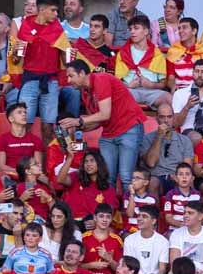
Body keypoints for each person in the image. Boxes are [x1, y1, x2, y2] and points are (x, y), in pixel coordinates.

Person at [61, 60, 147, 194]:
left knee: (125, 177)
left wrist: (78, 121)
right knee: (107, 178)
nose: (68, 80)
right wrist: (76, 128)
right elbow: (98, 121)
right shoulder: (85, 92)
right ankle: (110, 212)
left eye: (71, 76)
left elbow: (104, 114)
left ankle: (128, 213)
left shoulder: (101, 79)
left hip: (128, 128)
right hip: (109, 133)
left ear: (82, 73)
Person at [15, 0, 70, 133]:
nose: (56, 14)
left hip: (51, 81)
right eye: (53, 10)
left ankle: (49, 155)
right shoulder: (26, 26)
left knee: (48, 127)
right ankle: (24, 155)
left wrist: (69, 70)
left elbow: (67, 56)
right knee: (24, 124)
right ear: (42, 9)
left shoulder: (57, 28)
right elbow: (16, 59)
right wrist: (17, 50)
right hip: (29, 80)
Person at [115, 15, 172, 112]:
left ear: (146, 31)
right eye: (131, 29)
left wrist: (150, 85)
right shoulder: (123, 53)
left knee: (168, 98)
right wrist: (128, 86)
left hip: (151, 92)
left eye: (136, 28)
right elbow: (116, 83)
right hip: (129, 90)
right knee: (116, 96)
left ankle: (165, 127)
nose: (132, 32)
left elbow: (163, 84)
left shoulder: (157, 54)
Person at [169, 200, 203, 274]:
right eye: (184, 212)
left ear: (200, 216)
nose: (185, 216)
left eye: (190, 213)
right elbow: (174, 262)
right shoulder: (176, 233)